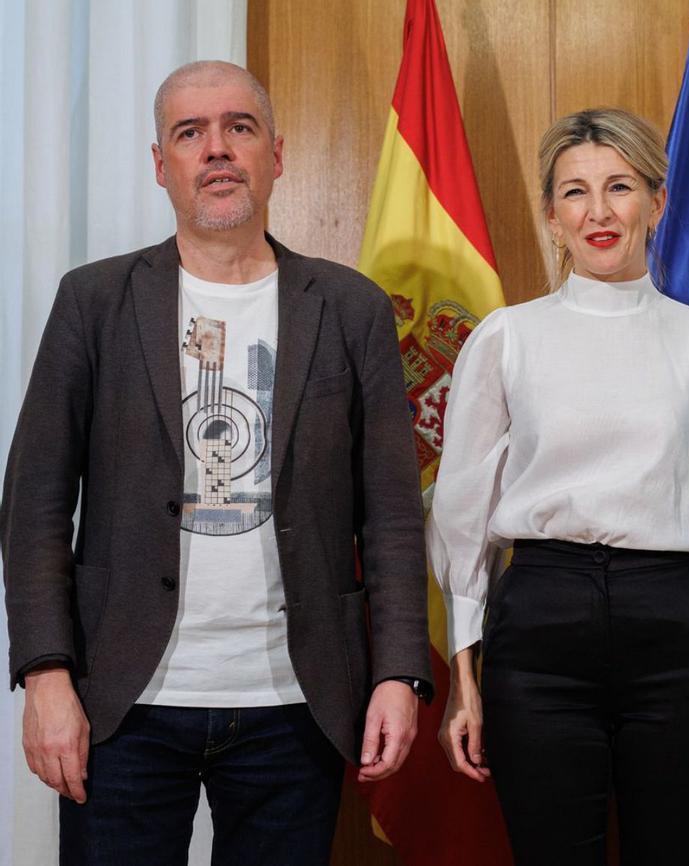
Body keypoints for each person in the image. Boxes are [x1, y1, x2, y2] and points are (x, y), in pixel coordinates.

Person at [1, 61, 433, 866]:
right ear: (161, 165)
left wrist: (399, 673)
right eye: (190, 133)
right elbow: (34, 505)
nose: (217, 150)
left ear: (276, 151)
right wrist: (46, 673)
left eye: (238, 128)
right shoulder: (94, 302)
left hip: (297, 703)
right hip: (121, 700)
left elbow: (393, 517)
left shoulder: (350, 308)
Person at [428, 108, 689, 866]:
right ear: (552, 216)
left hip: (681, 627)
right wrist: (464, 676)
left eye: (619, 186)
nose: (599, 211)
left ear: (656, 201)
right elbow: (462, 520)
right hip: (541, 624)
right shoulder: (507, 338)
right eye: (575, 192)